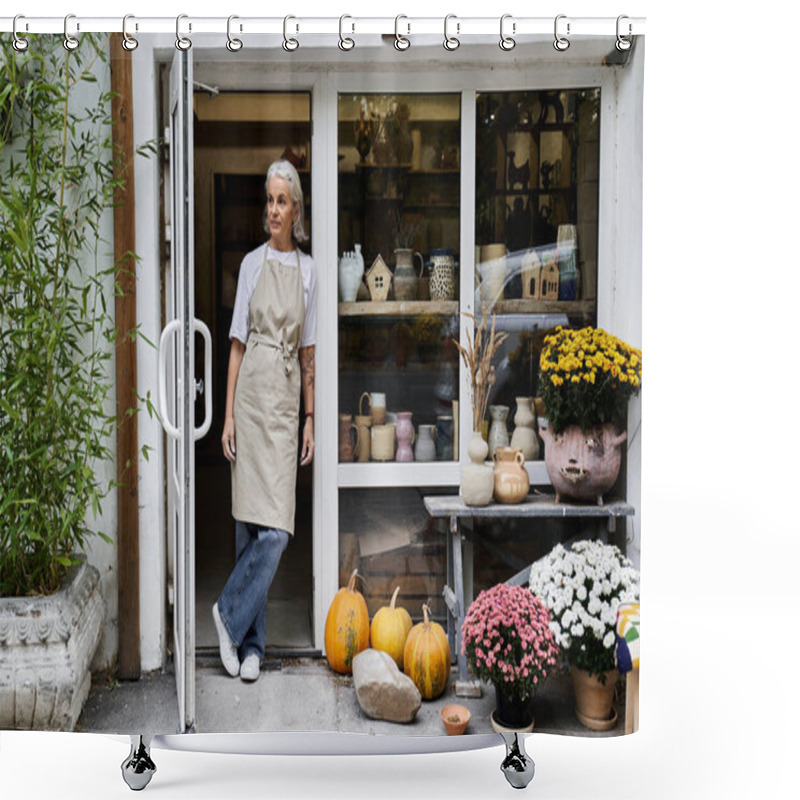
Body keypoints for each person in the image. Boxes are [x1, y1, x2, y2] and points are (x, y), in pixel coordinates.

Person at [212, 160, 316, 682]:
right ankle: (252, 647)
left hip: (285, 401)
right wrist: (228, 414)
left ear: (295, 208)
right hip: (252, 396)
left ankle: (227, 615)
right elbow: (235, 344)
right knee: (248, 522)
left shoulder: (309, 270)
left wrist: (311, 420)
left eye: (282, 200)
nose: (274, 209)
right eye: (268, 200)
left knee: (275, 530)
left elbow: (309, 351)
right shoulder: (251, 265)